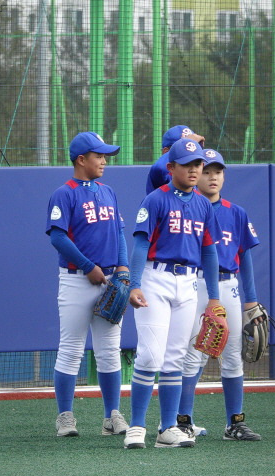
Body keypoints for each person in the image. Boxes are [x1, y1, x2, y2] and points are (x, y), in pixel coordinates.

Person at [124, 138, 223, 449]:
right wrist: (134, 283)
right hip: (155, 278)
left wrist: (215, 298)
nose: (194, 170)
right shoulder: (155, 200)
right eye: (187, 164)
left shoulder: (203, 204)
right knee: (150, 355)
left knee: (175, 358)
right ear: (171, 167)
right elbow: (140, 244)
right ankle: (136, 426)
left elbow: (209, 251)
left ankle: (167, 428)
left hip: (189, 283)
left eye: (198, 164)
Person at [45, 132, 130, 438]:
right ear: (81, 159)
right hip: (76, 280)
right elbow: (57, 236)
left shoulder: (108, 192)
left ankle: (111, 416)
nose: (104, 161)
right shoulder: (64, 193)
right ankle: (65, 417)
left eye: (105, 156)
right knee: (71, 350)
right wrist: (87, 266)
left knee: (109, 351)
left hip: (110, 280)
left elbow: (119, 232)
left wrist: (123, 268)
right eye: (99, 156)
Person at [180, 149, 263, 441]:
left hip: (229, 286)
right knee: (193, 355)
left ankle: (234, 423)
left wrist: (251, 299)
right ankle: (183, 421)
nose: (212, 177)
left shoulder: (236, 212)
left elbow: (245, 257)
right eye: (207, 171)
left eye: (218, 171)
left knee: (233, 356)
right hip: (197, 284)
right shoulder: (188, 208)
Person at [146, 125, 206, 194]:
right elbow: (159, 168)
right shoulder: (163, 175)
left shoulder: (194, 179)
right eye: (183, 149)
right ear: (166, 151)